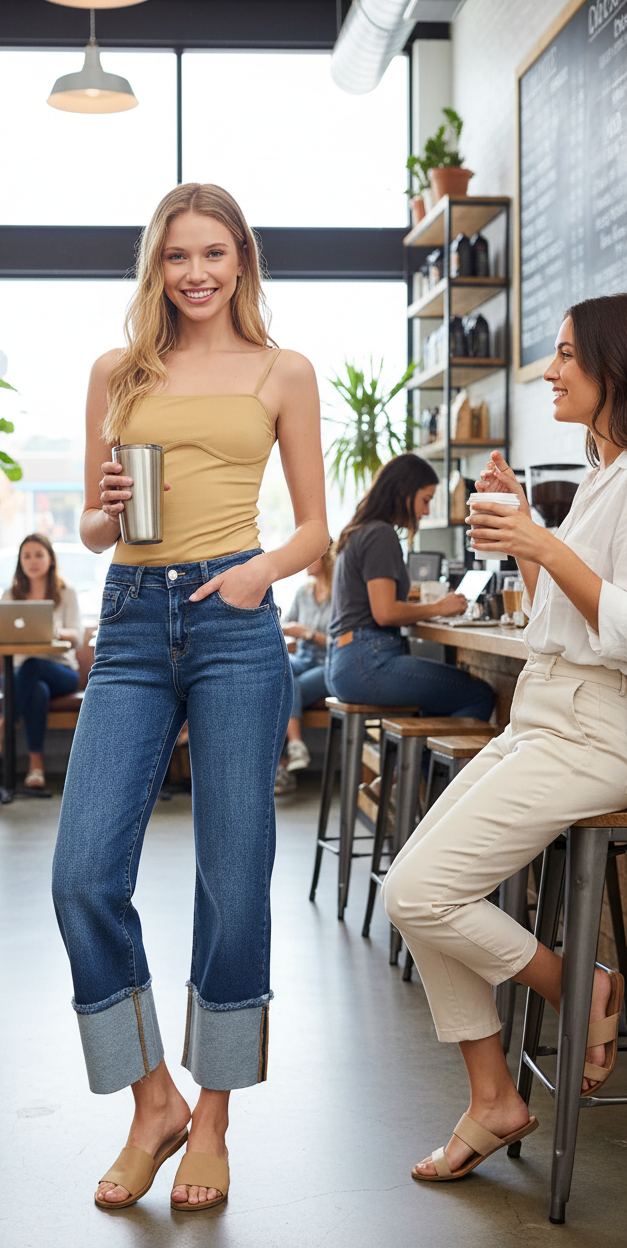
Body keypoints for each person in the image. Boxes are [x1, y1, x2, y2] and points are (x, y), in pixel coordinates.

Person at [51, 183, 329, 1213]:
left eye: (214, 253)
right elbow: (89, 525)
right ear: (155, 268)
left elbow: (316, 529)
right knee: (81, 873)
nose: (197, 273)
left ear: (242, 261)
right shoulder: (117, 373)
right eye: (177, 257)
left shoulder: (281, 371)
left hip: (234, 617)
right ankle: (150, 1099)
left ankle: (212, 1117)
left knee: (233, 873)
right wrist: (101, 510)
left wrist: (258, 576)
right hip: (128, 618)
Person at [382, 293, 627, 1183]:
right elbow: (560, 610)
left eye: (565, 355)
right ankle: (494, 1100)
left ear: (613, 365)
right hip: (546, 711)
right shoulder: (604, 471)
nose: (551, 370)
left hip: (599, 729)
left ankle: (582, 986)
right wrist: (524, 526)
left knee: (417, 891)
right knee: (419, 882)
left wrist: (542, 543)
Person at [326, 452, 494, 722]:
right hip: (368, 663)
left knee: (439, 698)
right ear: (403, 492)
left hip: (345, 662)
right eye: (425, 500)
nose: (426, 511)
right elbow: (385, 613)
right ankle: (420, 765)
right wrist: (439, 607)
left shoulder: (362, 530)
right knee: (479, 694)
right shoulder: (381, 534)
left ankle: (412, 762)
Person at [0, 534, 79, 788]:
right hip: (20, 673)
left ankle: (0, 730)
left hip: (62, 671)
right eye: (27, 556)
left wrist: (55, 631)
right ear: (20, 561)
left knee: (33, 666)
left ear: (50, 559)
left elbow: (75, 635)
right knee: (36, 689)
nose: (32, 561)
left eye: (38, 555)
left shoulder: (66, 593)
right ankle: (36, 767)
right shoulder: (11, 594)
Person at [274, 546, 334, 794]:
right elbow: (287, 623)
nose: (304, 560)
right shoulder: (303, 592)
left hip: (330, 663)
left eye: (311, 556)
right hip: (304, 657)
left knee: (289, 683)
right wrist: (290, 631)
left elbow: (343, 642)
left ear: (326, 558)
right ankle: (287, 761)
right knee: (277, 671)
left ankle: (294, 750)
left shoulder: (341, 595)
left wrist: (308, 633)